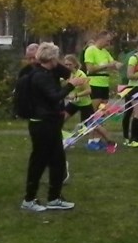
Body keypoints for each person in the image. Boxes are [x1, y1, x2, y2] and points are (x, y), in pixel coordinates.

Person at [18, 42, 88, 211]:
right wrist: (72, 84)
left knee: (58, 161)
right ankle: (29, 199)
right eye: (56, 57)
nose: (59, 60)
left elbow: (67, 72)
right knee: (39, 162)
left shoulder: (49, 71)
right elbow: (55, 96)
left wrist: (59, 66)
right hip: (41, 124)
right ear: (51, 58)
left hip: (51, 122)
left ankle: (54, 197)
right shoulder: (40, 76)